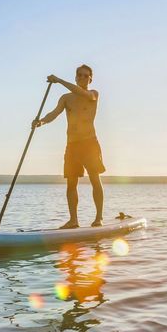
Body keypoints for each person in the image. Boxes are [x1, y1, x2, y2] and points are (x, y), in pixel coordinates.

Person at [32, 65, 105, 228]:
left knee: (95, 178)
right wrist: (41, 121)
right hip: (72, 145)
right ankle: (73, 221)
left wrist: (58, 80)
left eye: (85, 76)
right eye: (79, 75)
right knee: (71, 183)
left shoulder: (93, 94)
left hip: (89, 143)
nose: (82, 78)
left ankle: (99, 218)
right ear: (75, 77)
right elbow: (54, 113)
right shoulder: (66, 98)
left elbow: (81, 92)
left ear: (90, 79)